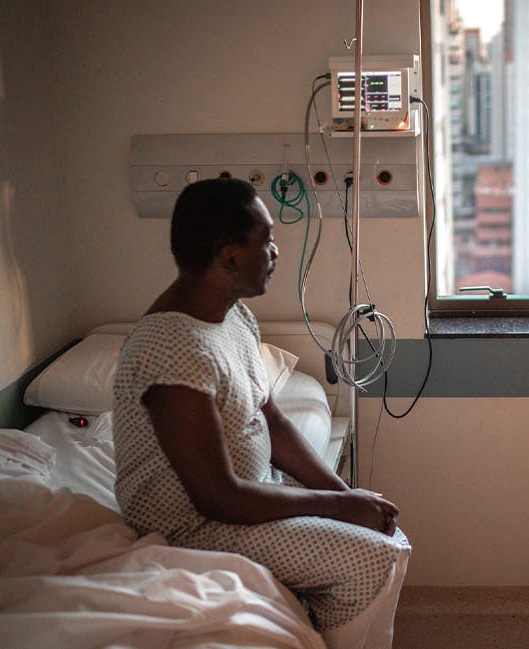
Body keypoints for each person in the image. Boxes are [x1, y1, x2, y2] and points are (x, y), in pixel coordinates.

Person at [112, 177, 410, 649]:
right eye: (267, 240)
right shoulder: (172, 349)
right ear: (230, 256)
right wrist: (339, 507)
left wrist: (345, 495)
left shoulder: (234, 316)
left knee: (389, 536)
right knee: (372, 559)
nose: (276, 252)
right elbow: (217, 498)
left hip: (249, 497)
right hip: (193, 529)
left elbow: (272, 420)